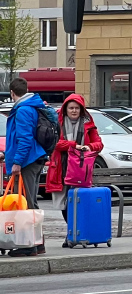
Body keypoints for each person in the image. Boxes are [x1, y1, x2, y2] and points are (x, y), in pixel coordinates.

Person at [4, 77, 49, 257]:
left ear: (12, 93)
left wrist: (17, 162)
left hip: (27, 162)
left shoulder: (22, 110)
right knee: (31, 202)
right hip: (35, 158)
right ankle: (38, 242)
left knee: (25, 203)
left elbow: (24, 139)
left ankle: (29, 245)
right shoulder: (32, 106)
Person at [47, 94, 103, 228]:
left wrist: (89, 147)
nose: (74, 111)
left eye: (77, 108)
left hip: (81, 169)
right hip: (62, 167)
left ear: (81, 109)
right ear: (65, 109)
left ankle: (77, 231)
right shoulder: (57, 122)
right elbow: (53, 142)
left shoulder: (88, 123)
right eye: (71, 108)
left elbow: (99, 144)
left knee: (79, 201)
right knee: (65, 202)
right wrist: (73, 145)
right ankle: (72, 230)